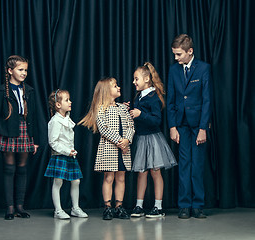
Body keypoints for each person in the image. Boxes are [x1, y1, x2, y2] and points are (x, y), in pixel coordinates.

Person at [167, 34, 211, 219]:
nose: (176, 58)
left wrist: (203, 128)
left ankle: (198, 205)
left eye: (178, 54)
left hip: (198, 125)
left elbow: (207, 99)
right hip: (181, 124)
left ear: (190, 51)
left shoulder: (203, 69)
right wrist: (172, 126)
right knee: (184, 165)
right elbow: (170, 100)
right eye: (174, 55)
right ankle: (184, 205)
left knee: (197, 165)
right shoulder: (174, 70)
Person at [79, 77, 135, 220]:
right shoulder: (100, 108)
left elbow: (130, 126)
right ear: (106, 91)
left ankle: (119, 206)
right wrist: (119, 141)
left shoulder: (123, 108)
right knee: (109, 177)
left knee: (121, 177)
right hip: (109, 148)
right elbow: (103, 129)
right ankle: (107, 207)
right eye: (115, 86)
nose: (119, 87)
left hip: (124, 149)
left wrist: (127, 140)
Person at [0, 55, 39, 220]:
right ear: (10, 71)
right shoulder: (1, 90)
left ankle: (20, 206)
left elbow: (33, 117)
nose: (24, 73)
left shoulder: (30, 90)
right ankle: (10, 208)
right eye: (20, 69)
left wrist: (34, 141)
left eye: (25, 70)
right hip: (8, 130)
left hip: (25, 129)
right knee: (9, 169)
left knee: (22, 169)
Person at [128, 62, 177, 218]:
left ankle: (158, 207)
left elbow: (157, 120)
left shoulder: (154, 97)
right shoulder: (138, 97)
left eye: (136, 79)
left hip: (153, 139)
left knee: (155, 172)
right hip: (141, 139)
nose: (134, 82)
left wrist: (140, 114)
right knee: (141, 173)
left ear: (147, 79)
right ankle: (139, 205)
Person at [44, 89, 88, 219]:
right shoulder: (55, 121)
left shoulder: (67, 119)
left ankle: (75, 208)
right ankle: (58, 210)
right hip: (60, 156)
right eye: (67, 100)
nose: (70, 102)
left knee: (76, 181)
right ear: (58, 105)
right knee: (58, 182)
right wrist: (66, 151)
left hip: (70, 155)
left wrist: (71, 151)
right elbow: (53, 142)